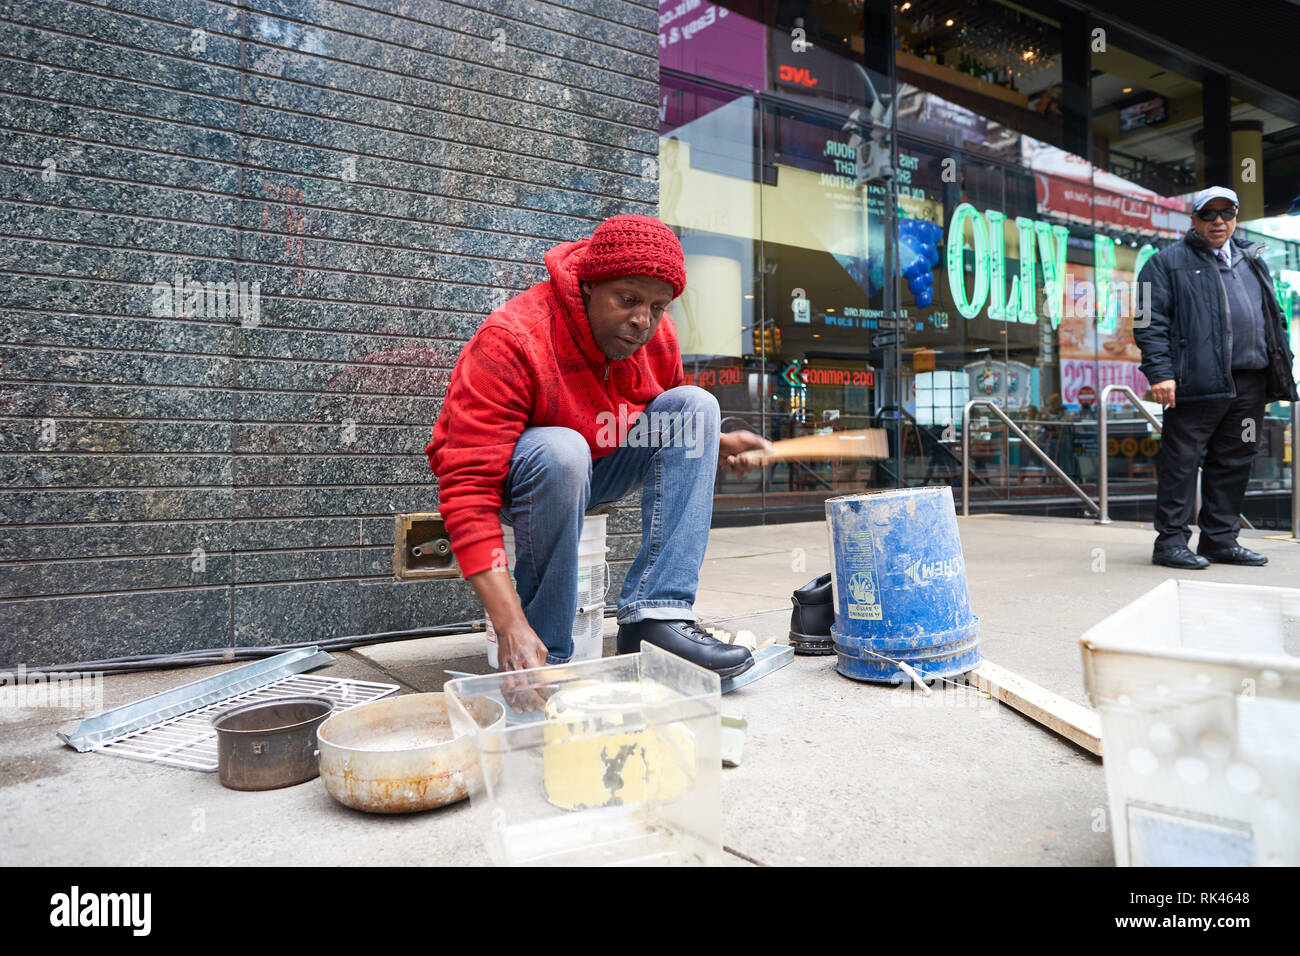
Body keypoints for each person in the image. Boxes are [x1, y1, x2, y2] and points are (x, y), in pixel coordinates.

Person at [427, 214, 772, 684]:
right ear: (589, 285)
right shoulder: (512, 339)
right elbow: (467, 491)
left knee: (696, 407)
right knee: (562, 450)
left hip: (599, 461)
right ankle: (546, 653)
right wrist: (510, 625)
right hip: (526, 477)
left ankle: (656, 619)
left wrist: (711, 442)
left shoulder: (654, 335)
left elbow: (662, 416)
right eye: (627, 299)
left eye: (657, 306)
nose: (642, 320)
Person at [1134, 186, 1299, 569]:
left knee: (1236, 459)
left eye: (1226, 213)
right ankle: (1170, 544)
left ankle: (1220, 540)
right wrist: (1160, 373)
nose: (1218, 221)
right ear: (1193, 220)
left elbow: (1273, 320)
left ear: (1236, 216)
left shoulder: (1252, 259)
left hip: (1250, 385)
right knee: (1181, 463)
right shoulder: (1163, 263)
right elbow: (1146, 322)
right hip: (1195, 385)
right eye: (1208, 215)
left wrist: (1280, 367)